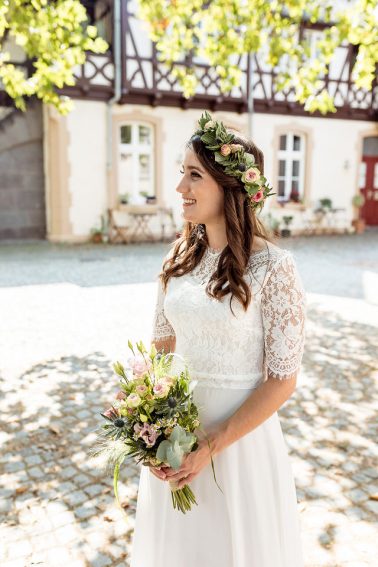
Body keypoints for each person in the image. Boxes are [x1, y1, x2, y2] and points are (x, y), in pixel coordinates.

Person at [130, 112, 306, 567]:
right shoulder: (177, 259)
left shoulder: (274, 268)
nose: (180, 187)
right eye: (181, 173)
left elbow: (282, 380)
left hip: (239, 446)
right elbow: (160, 355)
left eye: (194, 175)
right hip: (175, 441)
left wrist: (213, 442)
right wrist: (148, 430)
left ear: (230, 188)